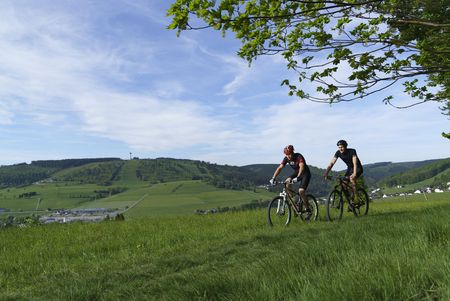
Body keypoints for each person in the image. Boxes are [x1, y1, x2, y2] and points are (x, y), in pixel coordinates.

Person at [270, 145, 312, 212]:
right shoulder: (286, 158)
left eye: (289, 154)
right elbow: (280, 168)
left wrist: (298, 177)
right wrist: (273, 177)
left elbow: (302, 166)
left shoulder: (298, 156)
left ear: (292, 152)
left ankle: (307, 208)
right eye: (286, 154)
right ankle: (294, 200)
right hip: (297, 172)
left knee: (301, 191)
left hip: (305, 173)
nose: (287, 156)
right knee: (287, 182)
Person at [323, 140, 363, 205]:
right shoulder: (338, 153)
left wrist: (354, 173)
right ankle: (351, 199)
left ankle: (356, 198)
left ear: (345, 147)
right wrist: (326, 173)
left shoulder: (352, 151)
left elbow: (354, 163)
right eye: (339, 147)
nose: (340, 149)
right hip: (350, 169)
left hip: (357, 168)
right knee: (344, 184)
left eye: (342, 147)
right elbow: (332, 163)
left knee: (352, 179)